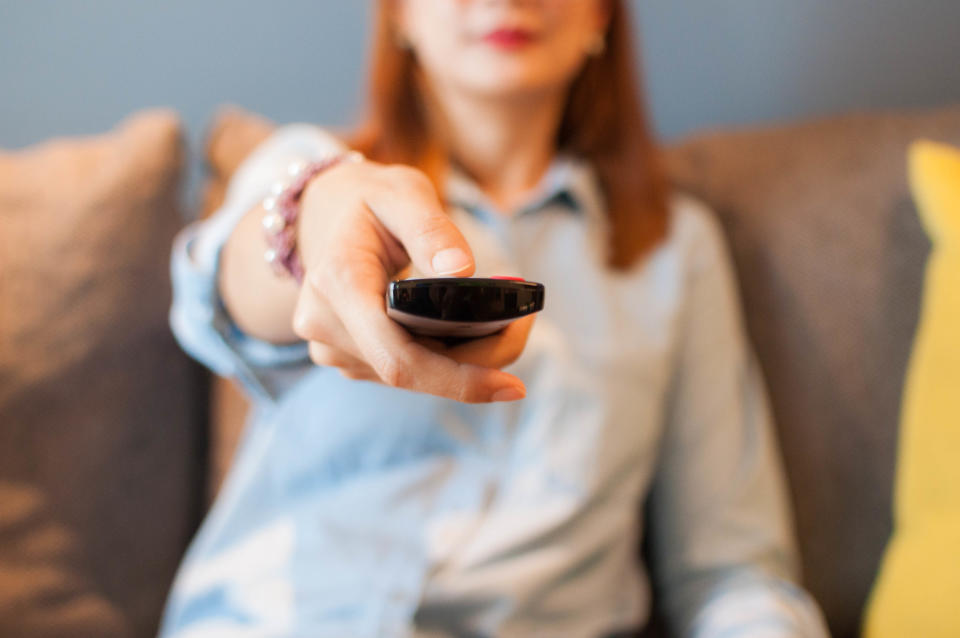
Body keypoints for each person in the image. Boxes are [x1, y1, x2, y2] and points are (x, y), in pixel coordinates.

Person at [160, 1, 830, 636]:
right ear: (400, 11)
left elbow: (731, 571)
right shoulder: (316, 175)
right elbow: (211, 298)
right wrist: (306, 227)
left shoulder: (677, 251)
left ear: (600, 13)